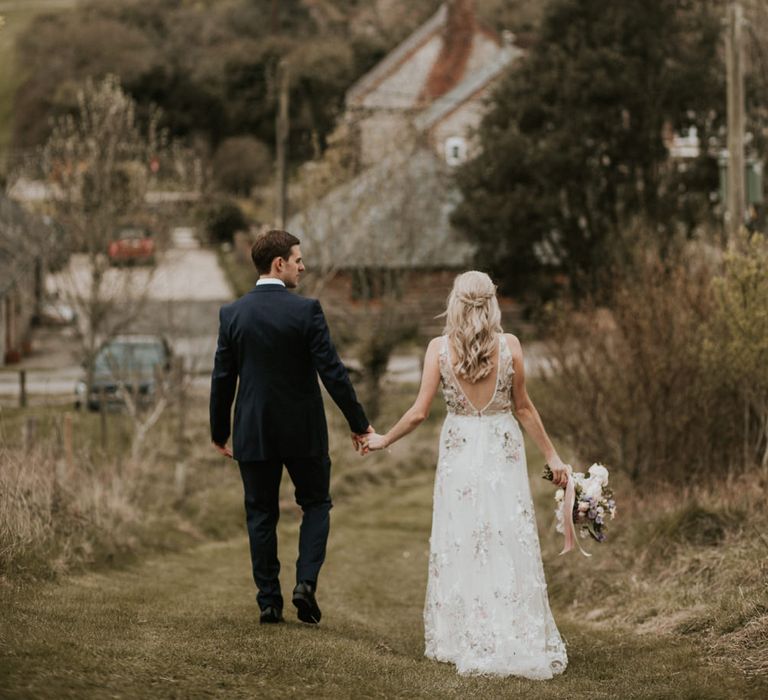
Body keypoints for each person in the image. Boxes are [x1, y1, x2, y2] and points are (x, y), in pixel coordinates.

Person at [362, 270, 568, 678]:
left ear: (455, 302)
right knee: (504, 534)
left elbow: (420, 412)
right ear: (492, 302)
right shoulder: (510, 346)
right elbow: (524, 407)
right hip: (500, 444)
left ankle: (462, 633)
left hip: (459, 445)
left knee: (463, 535)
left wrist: (384, 440)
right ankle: (509, 629)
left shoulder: (438, 349)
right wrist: (553, 457)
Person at [209, 229, 373, 625]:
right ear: (278, 263)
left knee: (261, 514)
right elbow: (332, 372)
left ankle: (269, 602)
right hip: (303, 431)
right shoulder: (306, 311)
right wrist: (359, 423)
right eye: (298, 259)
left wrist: (219, 431)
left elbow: (222, 378)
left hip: (254, 430)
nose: (304, 266)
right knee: (316, 504)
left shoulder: (233, 314)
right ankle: (305, 584)